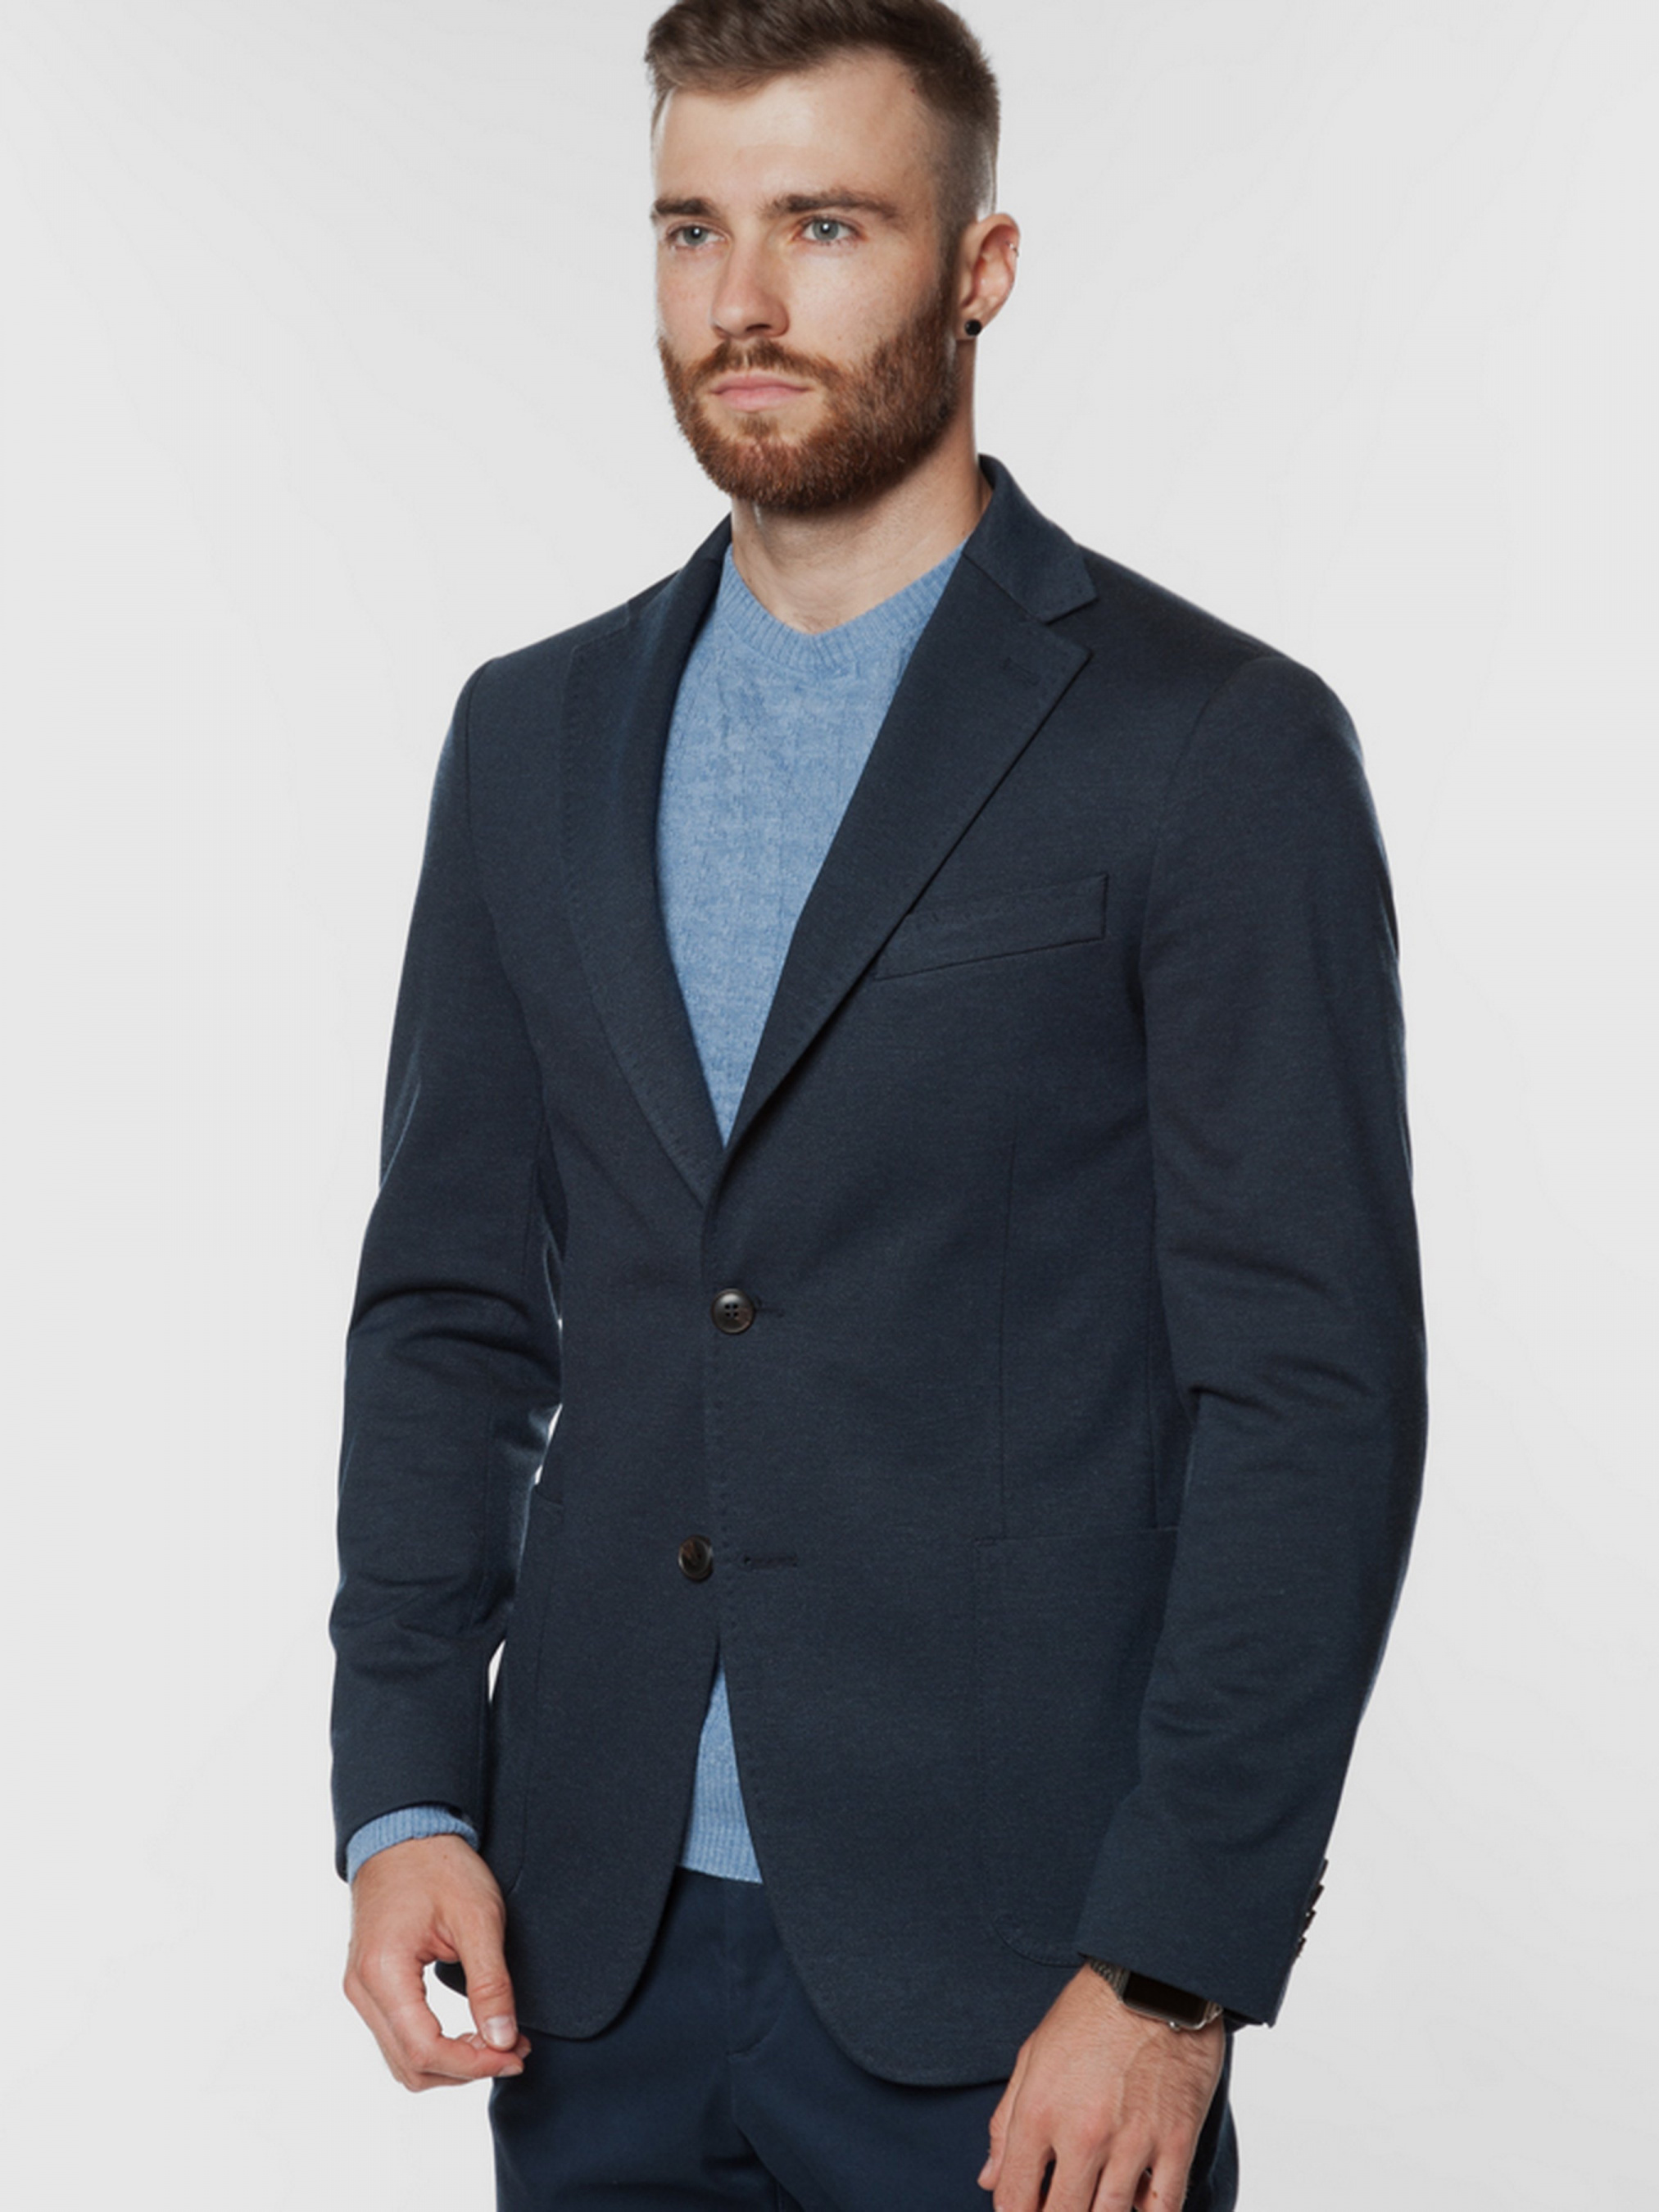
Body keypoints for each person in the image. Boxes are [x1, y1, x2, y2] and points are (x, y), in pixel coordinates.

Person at [329, 4, 1427, 2207]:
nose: (743, 298)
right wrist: (407, 1795)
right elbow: (449, 1310)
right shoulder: (527, 738)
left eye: (825, 226)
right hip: (591, 1950)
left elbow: (1308, 1398)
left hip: (1023, 1981)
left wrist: (1169, 1968)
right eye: (692, 229)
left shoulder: (1209, 743)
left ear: (978, 265)